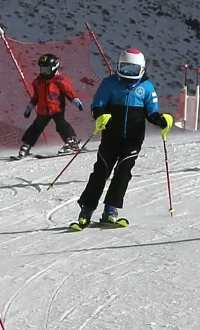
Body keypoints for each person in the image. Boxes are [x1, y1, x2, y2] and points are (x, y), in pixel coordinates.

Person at [68, 48, 175, 232]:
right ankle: (86, 210)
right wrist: (100, 116)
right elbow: (97, 105)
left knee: (123, 173)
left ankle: (111, 209)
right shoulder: (109, 84)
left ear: (141, 69)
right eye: (125, 69)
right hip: (111, 137)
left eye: (132, 70)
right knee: (101, 171)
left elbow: (152, 113)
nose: (128, 75)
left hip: (133, 140)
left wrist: (162, 120)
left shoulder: (147, 87)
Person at [15, 52, 82, 158]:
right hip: (42, 110)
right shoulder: (37, 82)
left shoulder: (60, 80)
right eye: (42, 69)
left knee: (61, 124)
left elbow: (69, 92)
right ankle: (26, 146)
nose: (44, 72)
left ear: (55, 67)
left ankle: (71, 142)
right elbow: (36, 96)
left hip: (56, 108)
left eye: (47, 69)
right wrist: (30, 106)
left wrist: (75, 100)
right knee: (36, 127)